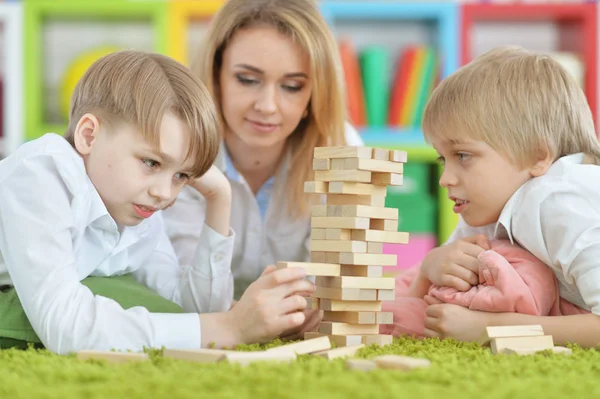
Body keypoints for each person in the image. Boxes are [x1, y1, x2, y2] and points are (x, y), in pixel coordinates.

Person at [0, 50, 314, 355]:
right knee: (118, 296)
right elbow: (63, 323)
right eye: (151, 163)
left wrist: (220, 198)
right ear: (88, 136)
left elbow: (193, 307)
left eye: (182, 176)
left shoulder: (140, 205)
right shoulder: (41, 173)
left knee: (150, 302)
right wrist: (230, 328)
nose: (165, 194)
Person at [163, 0, 363, 335]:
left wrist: (310, 305)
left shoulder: (341, 150)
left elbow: (335, 286)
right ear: (216, 77)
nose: (267, 106)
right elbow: (183, 293)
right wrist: (242, 317)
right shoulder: (176, 148)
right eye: (247, 79)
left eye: (292, 86)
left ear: (315, 94)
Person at [407, 45, 600, 348]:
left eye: (462, 155)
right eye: (442, 159)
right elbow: (428, 296)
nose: (445, 179)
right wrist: (432, 264)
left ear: (538, 156)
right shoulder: (488, 208)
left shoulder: (561, 201)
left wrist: (491, 328)